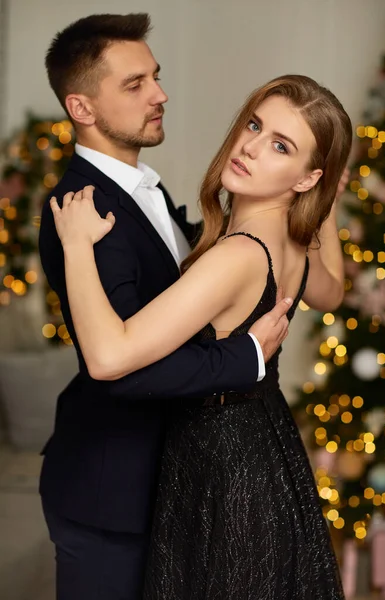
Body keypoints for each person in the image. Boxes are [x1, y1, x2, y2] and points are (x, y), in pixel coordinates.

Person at [51, 73, 352, 599]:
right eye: (255, 125)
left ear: (306, 177)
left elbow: (107, 356)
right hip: (268, 455)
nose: (250, 147)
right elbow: (334, 292)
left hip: (223, 468)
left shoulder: (236, 257)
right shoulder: (295, 246)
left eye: (280, 146)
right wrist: (326, 204)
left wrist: (77, 248)